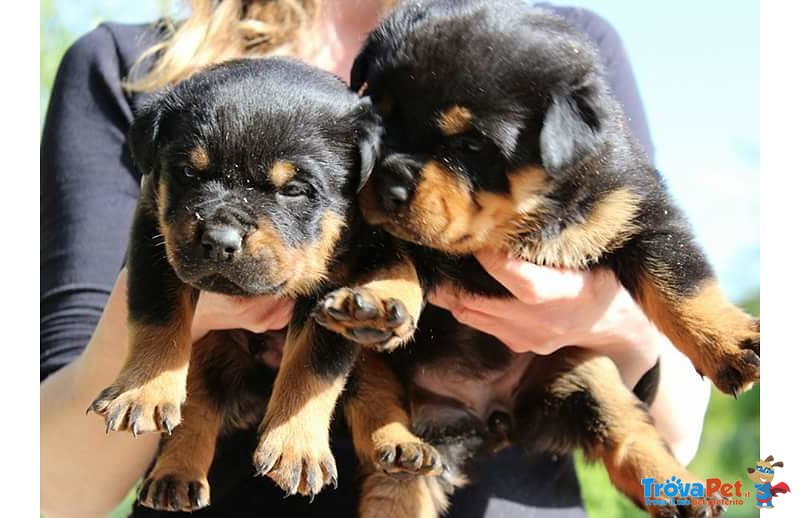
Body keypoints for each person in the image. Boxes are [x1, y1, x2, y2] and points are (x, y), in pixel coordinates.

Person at [40, 1, 710, 516]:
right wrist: (154, 343)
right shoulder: (130, 67)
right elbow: (48, 489)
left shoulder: (547, 56)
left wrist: (613, 324)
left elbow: (677, 434)